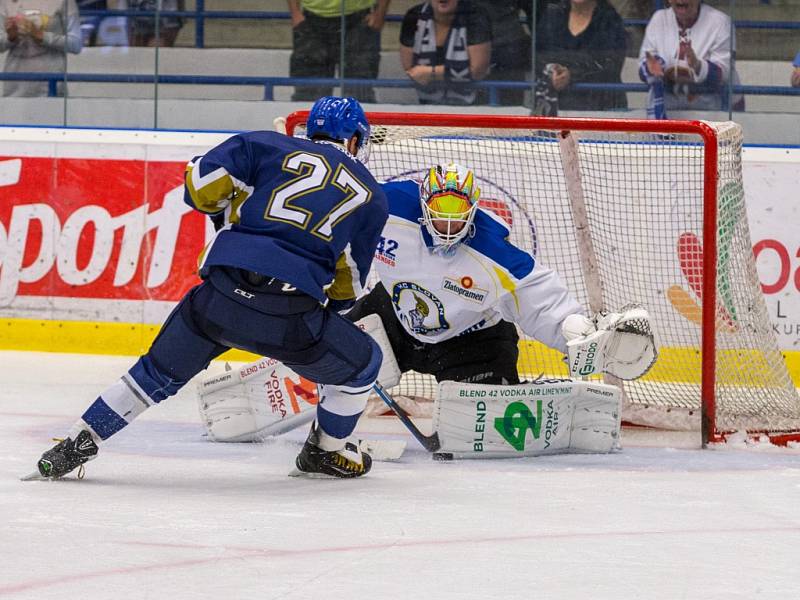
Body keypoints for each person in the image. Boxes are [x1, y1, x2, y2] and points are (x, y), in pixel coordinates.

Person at [30, 96, 389, 480]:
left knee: (151, 375)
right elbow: (346, 284)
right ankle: (325, 451)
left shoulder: (262, 144)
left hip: (219, 297)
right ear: (354, 140)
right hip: (291, 318)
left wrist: (231, 209)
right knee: (365, 363)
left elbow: (200, 189)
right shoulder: (371, 196)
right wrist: (323, 328)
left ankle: (73, 444)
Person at [345, 163, 589, 387]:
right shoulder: (388, 206)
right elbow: (338, 215)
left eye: (457, 209)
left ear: (473, 208)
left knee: (480, 423)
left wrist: (577, 341)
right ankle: (324, 427)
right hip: (394, 317)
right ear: (425, 202)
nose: (449, 220)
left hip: (472, 341)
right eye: (442, 208)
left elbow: (537, 297)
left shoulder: (490, 251)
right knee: (329, 347)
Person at [638, 0, 742, 118]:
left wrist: (697, 65)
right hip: (670, 110)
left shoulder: (721, 22)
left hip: (713, 111)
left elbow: (723, 73)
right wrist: (653, 66)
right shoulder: (658, 19)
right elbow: (643, 64)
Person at [534, 0, 628, 115]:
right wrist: (553, 70)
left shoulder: (610, 19)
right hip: (557, 103)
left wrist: (572, 73)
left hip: (602, 104)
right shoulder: (552, 14)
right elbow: (539, 56)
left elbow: (611, 64)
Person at [288, 0, 391, 103]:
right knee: (309, 95)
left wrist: (380, 12)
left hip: (359, 20)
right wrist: (295, 12)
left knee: (359, 92)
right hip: (311, 20)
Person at [399, 0, 491, 106]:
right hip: (427, 103)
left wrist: (433, 73)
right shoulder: (414, 16)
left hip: (473, 103)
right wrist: (450, 73)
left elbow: (478, 71)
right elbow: (412, 71)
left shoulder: (475, 15)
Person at [0, 0, 83, 97]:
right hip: (14, 88)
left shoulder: (65, 2)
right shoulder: (5, 2)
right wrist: (11, 37)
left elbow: (76, 44)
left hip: (51, 88)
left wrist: (42, 36)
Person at [471, 0, 531, 106]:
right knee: (476, 106)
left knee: (511, 106)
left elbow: (534, 11)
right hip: (477, 43)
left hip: (510, 48)